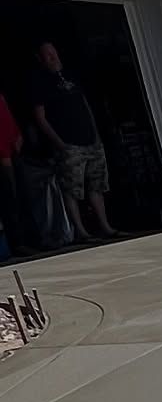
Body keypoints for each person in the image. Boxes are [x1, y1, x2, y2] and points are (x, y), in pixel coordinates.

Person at [29, 42, 114, 241]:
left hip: (91, 141)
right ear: (40, 59)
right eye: (47, 55)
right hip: (68, 144)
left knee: (96, 186)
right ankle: (81, 232)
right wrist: (60, 144)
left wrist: (96, 135)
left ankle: (106, 227)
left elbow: (85, 105)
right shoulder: (40, 83)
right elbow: (40, 118)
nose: (52, 57)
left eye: (53, 52)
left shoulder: (71, 77)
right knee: (72, 189)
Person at [0, 91, 30, 257]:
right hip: (3, 155)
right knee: (9, 200)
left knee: (20, 196)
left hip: (12, 149)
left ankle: (25, 240)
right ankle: (17, 243)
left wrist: (17, 134)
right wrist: (4, 155)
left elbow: (6, 116)